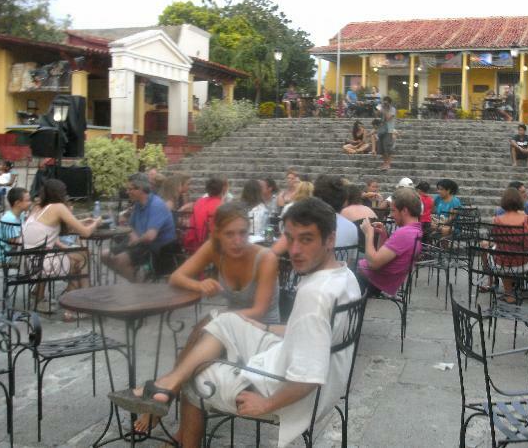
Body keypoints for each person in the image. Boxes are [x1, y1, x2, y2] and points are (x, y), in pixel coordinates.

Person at [108, 197, 361, 448]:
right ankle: (166, 386)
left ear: (330, 239)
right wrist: (266, 328)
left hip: (287, 389)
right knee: (223, 320)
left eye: (306, 239)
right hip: (319, 378)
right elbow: (315, 335)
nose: (294, 250)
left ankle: (169, 401)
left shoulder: (314, 295)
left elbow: (308, 377)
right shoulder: (344, 276)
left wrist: (266, 404)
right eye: (290, 238)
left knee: (196, 376)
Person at [132, 201, 282, 434]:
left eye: (243, 233)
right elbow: (177, 277)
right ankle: (172, 405)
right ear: (217, 233)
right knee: (199, 351)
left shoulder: (265, 258)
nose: (238, 240)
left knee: (205, 328)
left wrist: (219, 319)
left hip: (261, 335)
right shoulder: (214, 249)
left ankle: (166, 397)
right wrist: (199, 284)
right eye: (230, 234)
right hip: (227, 330)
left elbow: (259, 311)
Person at [23, 179, 100, 317]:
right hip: (44, 264)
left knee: (78, 256)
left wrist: (82, 221)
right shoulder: (58, 207)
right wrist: (96, 223)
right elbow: (86, 233)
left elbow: (51, 227)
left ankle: (75, 304)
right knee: (82, 256)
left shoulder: (37, 207)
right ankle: (78, 306)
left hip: (30, 262)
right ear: (60, 193)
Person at [102, 173, 176, 282]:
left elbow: (150, 236)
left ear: (141, 189)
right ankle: (138, 280)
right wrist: (132, 235)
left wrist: (136, 240)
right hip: (141, 242)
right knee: (105, 255)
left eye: (130, 189)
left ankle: (140, 286)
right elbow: (130, 226)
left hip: (158, 247)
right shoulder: (138, 204)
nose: (127, 192)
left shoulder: (156, 205)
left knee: (120, 261)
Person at [358, 188, 423, 296]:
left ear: (405, 211)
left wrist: (368, 234)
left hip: (368, 281)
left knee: (344, 259)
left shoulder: (404, 233)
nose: (391, 215)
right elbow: (381, 256)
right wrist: (383, 235)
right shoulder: (415, 230)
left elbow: (373, 263)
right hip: (375, 279)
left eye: (393, 210)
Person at [487, 187, 528, 302]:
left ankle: (508, 293)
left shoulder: (496, 220)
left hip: (500, 265)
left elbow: (496, 242)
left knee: (499, 253)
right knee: (514, 255)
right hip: (522, 264)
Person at [183, 176, 225, 253]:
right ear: (222, 190)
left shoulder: (199, 201)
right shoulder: (221, 206)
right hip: (210, 245)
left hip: (192, 243)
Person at [0, 187, 31, 263]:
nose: (30, 203)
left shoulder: (20, 214)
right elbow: (13, 244)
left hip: (8, 251)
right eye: (28, 200)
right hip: (1, 256)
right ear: (17, 203)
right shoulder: (10, 219)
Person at [377, 96, 397, 170]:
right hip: (381, 130)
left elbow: (388, 118)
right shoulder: (381, 107)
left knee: (387, 148)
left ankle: (388, 164)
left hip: (388, 130)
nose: (385, 103)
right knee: (382, 149)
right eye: (384, 101)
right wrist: (379, 109)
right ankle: (384, 163)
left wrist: (384, 110)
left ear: (389, 103)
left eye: (386, 102)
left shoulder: (392, 109)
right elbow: (377, 115)